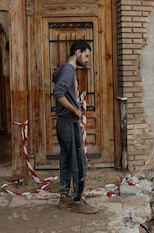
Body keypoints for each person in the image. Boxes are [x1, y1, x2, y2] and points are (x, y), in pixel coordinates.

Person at [52, 40, 98, 214]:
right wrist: (75, 110)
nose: (87, 60)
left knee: (65, 158)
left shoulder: (63, 70)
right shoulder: (69, 71)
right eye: (86, 56)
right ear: (77, 53)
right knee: (78, 161)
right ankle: (78, 200)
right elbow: (58, 93)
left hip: (63, 121)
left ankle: (64, 198)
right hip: (68, 121)